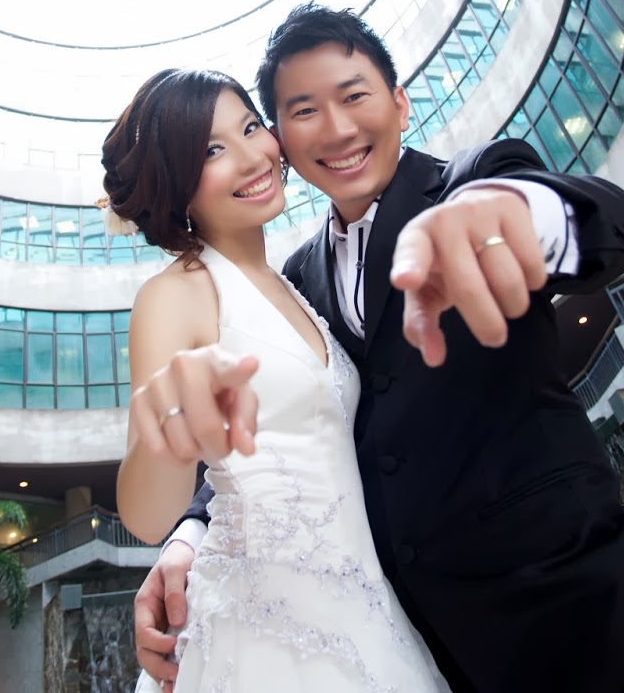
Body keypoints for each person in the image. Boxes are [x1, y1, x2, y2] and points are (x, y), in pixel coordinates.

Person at [132, 4, 624, 693]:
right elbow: (277, 432)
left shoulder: (473, 183)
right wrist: (190, 533)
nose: (338, 128)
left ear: (400, 102)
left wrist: (521, 216)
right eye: (304, 110)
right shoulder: (296, 282)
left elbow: (608, 223)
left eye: (354, 96)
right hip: (426, 653)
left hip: (591, 625)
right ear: (284, 138)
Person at [104, 68, 450, 692]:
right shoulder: (175, 295)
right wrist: (170, 429)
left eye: (249, 128)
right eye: (212, 150)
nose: (250, 157)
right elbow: (148, 516)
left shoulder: (299, 284)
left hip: (369, 609)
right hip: (261, 631)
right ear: (177, 184)